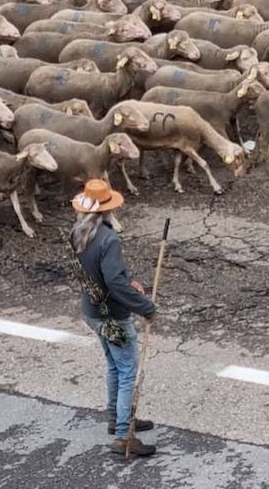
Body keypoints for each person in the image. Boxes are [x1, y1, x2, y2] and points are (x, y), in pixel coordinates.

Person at [68, 179, 158, 457]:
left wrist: (128, 282)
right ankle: (123, 434)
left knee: (114, 365)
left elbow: (104, 276)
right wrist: (145, 307)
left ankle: (115, 417)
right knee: (128, 369)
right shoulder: (109, 240)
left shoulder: (76, 233)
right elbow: (115, 283)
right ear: (107, 210)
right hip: (112, 317)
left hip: (91, 311)